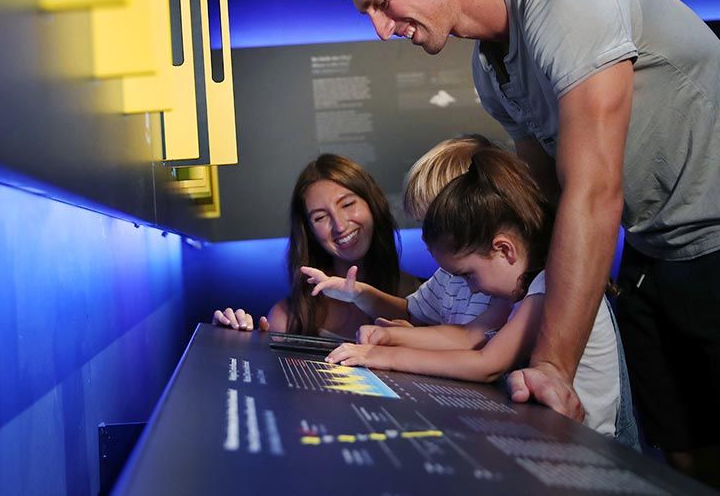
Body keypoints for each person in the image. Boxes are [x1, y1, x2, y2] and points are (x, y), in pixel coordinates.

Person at [320, 0, 720, 493]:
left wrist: (551, 367)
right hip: (656, 252)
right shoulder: (491, 74)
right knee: (690, 466)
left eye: (383, 4)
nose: (384, 29)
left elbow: (593, 192)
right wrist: (464, 330)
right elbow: (539, 206)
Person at [324, 147, 637, 446]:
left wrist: (382, 358)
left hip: (592, 443)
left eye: (469, 275)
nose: (471, 287)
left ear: (503, 249)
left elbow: (487, 363)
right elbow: (468, 336)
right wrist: (391, 339)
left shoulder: (548, 287)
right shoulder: (521, 291)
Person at [303, 134, 511, 329]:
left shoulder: (501, 282)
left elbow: (471, 342)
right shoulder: (446, 277)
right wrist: (357, 293)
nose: (426, 238)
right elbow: (411, 313)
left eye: (435, 225)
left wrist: (400, 345)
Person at [212, 153, 420, 337]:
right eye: (320, 217)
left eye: (347, 204)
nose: (339, 225)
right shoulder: (288, 319)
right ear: (309, 232)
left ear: (373, 205)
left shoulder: (429, 299)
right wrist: (235, 343)